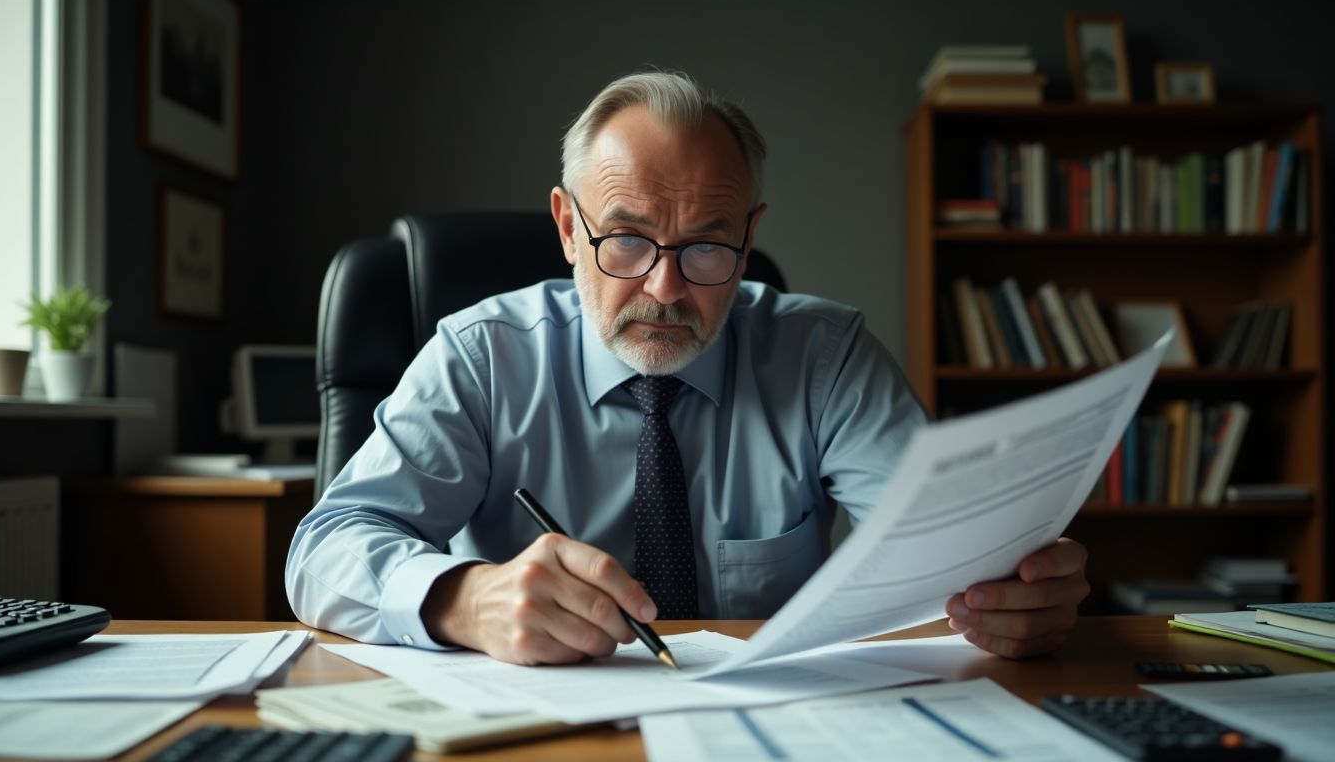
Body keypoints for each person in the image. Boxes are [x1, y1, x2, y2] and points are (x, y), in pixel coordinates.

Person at [286, 70, 1089, 666]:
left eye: (707, 244)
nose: (665, 288)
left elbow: (941, 558)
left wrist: (1005, 598)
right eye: (627, 238)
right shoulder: (482, 355)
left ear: (749, 236)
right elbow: (323, 549)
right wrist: (462, 597)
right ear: (569, 228)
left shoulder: (826, 357)